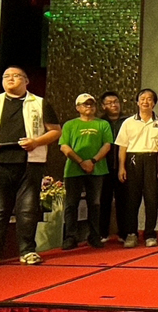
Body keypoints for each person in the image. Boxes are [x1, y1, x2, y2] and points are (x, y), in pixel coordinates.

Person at [0, 66, 61, 268]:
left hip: (29, 162)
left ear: (26, 81)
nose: (10, 79)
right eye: (6, 76)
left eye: (16, 76)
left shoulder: (40, 103)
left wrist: (36, 142)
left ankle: (27, 251)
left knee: (27, 210)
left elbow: (55, 131)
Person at [59, 94, 113, 250]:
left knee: (95, 204)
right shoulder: (70, 125)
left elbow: (107, 145)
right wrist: (81, 162)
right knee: (71, 204)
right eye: (85, 104)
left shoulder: (103, 124)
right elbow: (64, 147)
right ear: (78, 108)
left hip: (97, 170)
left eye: (91, 104)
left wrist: (93, 161)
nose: (89, 107)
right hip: (73, 170)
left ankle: (94, 236)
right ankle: (70, 237)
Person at [115, 89, 158, 248]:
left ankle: (150, 234)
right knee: (132, 200)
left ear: (154, 103)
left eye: (149, 99)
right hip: (133, 161)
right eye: (142, 98)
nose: (145, 101)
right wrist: (121, 167)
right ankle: (131, 234)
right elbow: (122, 147)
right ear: (137, 102)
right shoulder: (128, 122)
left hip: (152, 160)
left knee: (151, 200)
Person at [98, 91, 129, 243]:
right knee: (104, 200)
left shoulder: (128, 121)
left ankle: (124, 233)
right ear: (103, 106)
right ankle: (102, 233)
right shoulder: (99, 123)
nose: (114, 105)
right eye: (109, 103)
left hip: (124, 167)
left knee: (123, 201)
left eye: (116, 102)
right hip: (104, 167)